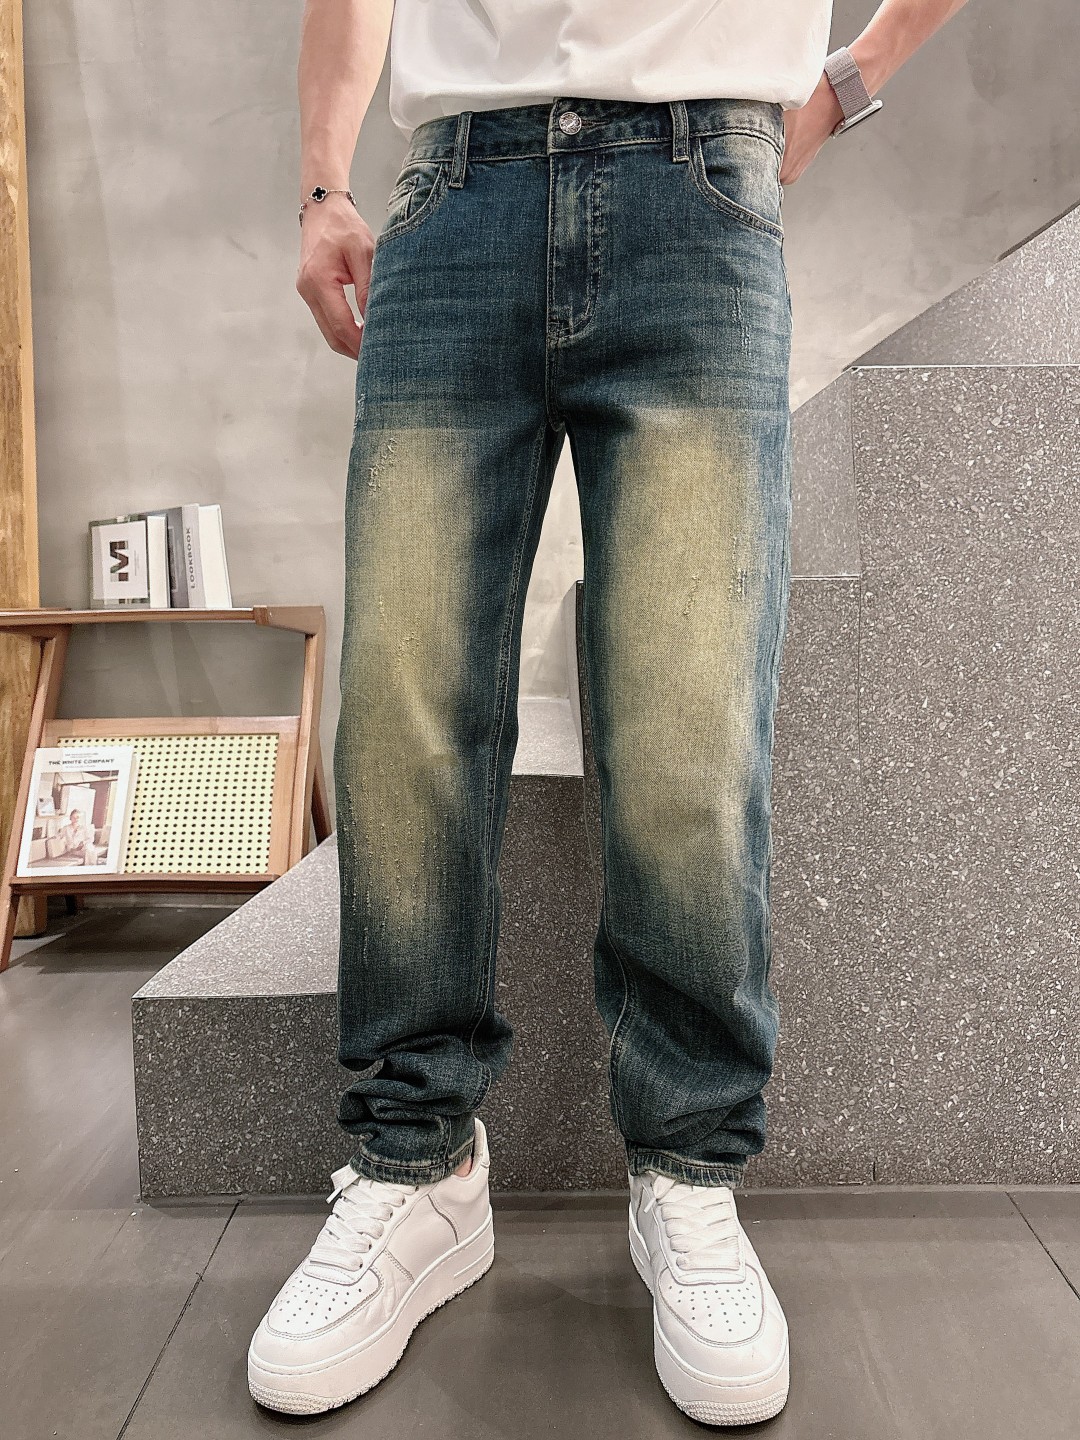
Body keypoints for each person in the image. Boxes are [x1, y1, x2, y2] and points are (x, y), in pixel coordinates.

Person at [249, 0, 969, 1423]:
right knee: (401, 718)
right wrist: (327, 180)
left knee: (690, 727)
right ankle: (416, 1166)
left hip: (700, 187)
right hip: (451, 196)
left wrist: (842, 87)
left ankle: (689, 1174)